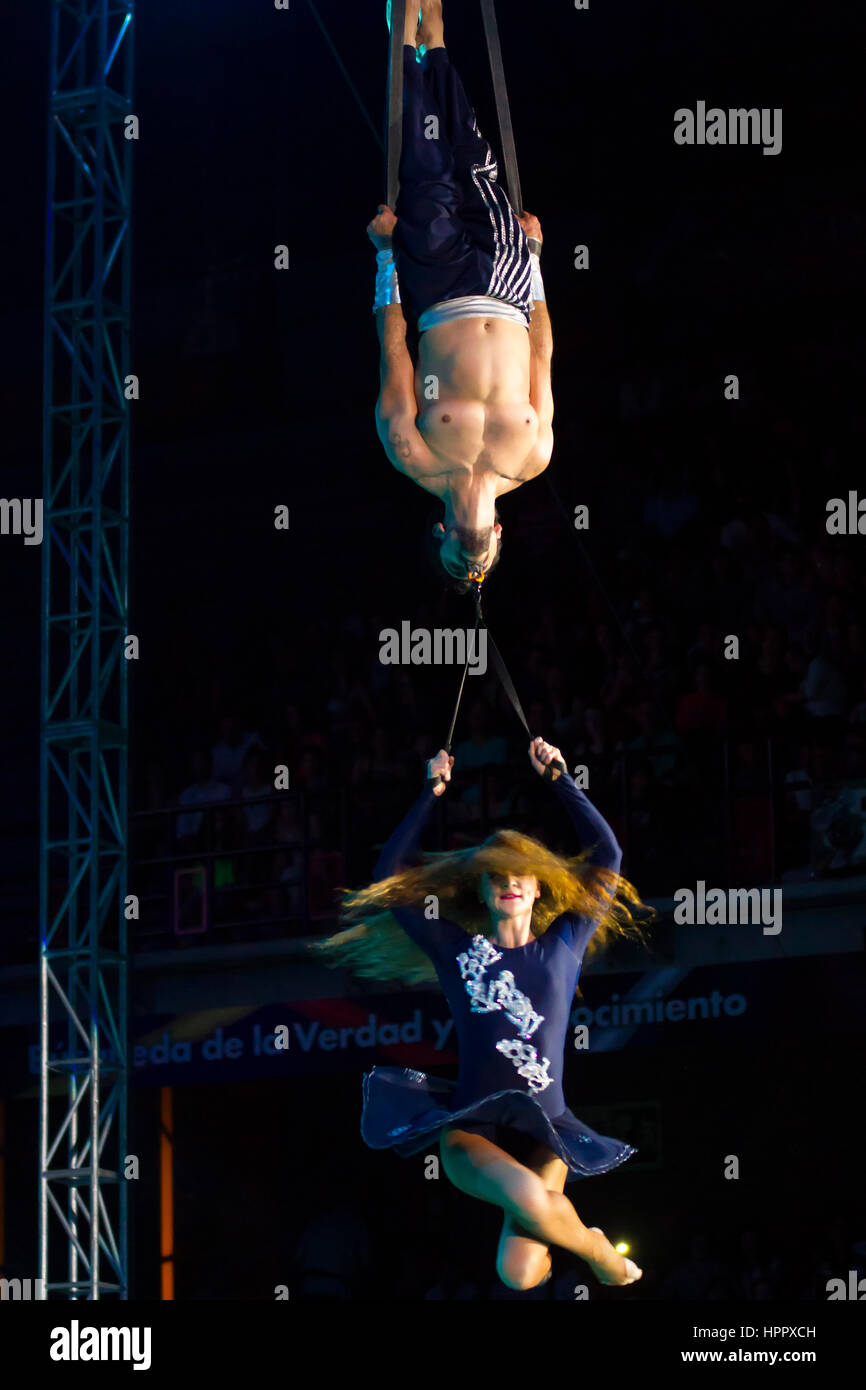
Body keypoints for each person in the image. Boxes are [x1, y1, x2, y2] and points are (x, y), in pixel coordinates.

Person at [314, 736, 651, 1290]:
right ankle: (599, 1252)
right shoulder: (456, 949)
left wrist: (560, 778)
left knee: (518, 1275)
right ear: (484, 891)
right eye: (497, 875)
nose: (510, 881)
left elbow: (607, 857)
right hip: (472, 1125)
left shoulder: (564, 942)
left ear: (540, 886)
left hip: (547, 1129)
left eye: (520, 873)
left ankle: (572, 1242)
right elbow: (389, 877)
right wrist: (430, 792)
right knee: (524, 1198)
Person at [369, 0, 554, 587]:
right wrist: (536, 263)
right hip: (507, 281)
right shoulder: (533, 457)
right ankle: (436, 33)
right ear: (499, 538)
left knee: (424, 159)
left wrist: (383, 258)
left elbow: (394, 355)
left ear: (440, 535)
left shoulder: (411, 452)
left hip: (439, 284)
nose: (471, 566)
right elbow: (543, 358)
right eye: (482, 570)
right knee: (475, 160)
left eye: (458, 568)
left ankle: (404, 33)